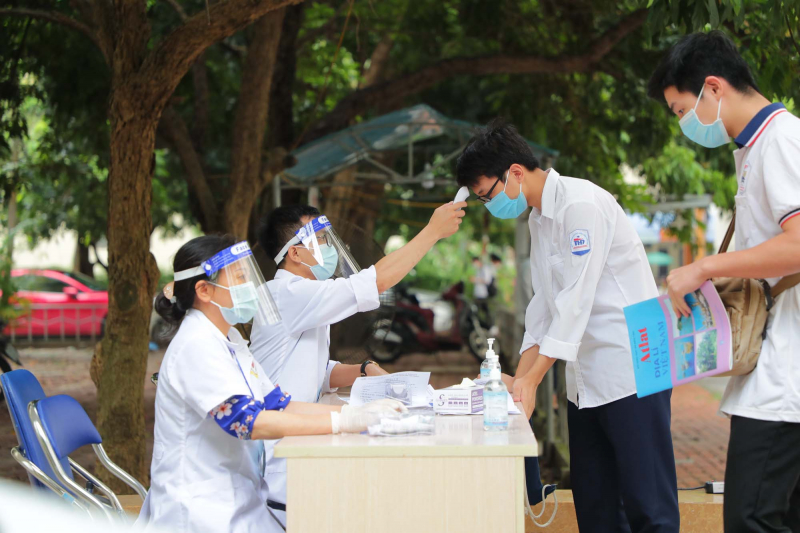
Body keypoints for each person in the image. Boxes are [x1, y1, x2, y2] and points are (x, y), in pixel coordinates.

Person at [456, 119, 680, 532]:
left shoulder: (581, 205)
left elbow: (576, 302)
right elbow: (543, 307)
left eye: (487, 194)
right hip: (586, 380)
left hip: (634, 365)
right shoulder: (539, 219)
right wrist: (522, 382)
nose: (489, 205)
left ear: (516, 173)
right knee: (595, 507)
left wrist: (532, 380)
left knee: (649, 509)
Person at [136, 235, 405, 533]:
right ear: (204, 290)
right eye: (239, 277)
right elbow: (247, 422)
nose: (250, 286)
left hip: (238, 500)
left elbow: (279, 403)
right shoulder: (195, 346)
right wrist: (343, 422)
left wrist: (358, 413)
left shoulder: (231, 342)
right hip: (200, 511)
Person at [648, 30, 800, 532]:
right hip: (775, 369)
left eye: (679, 110)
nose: (682, 125)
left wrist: (705, 267)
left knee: (750, 518)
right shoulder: (755, 147)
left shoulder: (780, 140)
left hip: (785, 378)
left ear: (713, 88)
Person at [249, 201, 465, 525]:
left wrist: (366, 370)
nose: (328, 246)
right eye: (319, 239)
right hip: (281, 452)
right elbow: (375, 282)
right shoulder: (289, 293)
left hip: (300, 437)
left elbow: (316, 372)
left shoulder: (305, 294)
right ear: (294, 253)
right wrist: (432, 232)